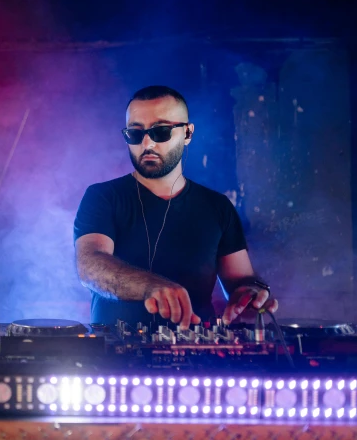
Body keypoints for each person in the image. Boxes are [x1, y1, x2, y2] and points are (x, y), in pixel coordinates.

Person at [74, 85, 279, 329]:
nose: (147, 143)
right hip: (113, 357)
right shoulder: (102, 197)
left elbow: (240, 280)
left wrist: (250, 293)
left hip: (198, 357)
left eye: (161, 131)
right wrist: (151, 286)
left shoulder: (217, 206)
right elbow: (91, 266)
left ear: (188, 133)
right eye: (135, 133)